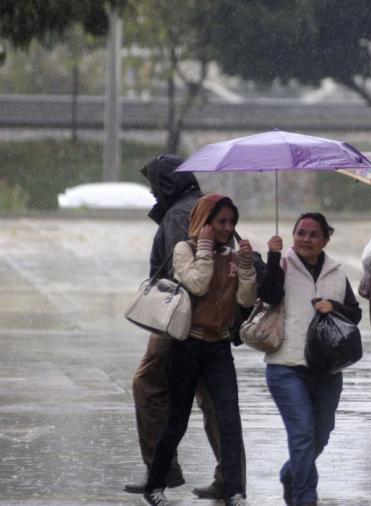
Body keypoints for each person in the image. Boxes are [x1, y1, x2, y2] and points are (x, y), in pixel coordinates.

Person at [125, 155, 245, 500]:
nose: (151, 191)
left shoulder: (181, 214)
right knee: (215, 405)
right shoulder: (195, 205)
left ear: (164, 184)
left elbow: (190, 277)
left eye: (153, 183)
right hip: (201, 323)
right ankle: (228, 479)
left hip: (183, 322)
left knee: (150, 385)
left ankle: (163, 471)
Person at [142, 194, 256, 506]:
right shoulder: (185, 249)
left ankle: (235, 491)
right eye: (220, 222)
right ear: (204, 222)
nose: (227, 228)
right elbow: (197, 285)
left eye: (231, 222)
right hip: (186, 345)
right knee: (177, 419)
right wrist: (205, 250)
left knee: (229, 420)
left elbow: (246, 300)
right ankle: (155, 486)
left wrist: (246, 265)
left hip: (219, 347)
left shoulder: (233, 257)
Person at [258, 213, 362, 506]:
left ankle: (291, 473)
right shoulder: (281, 264)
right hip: (285, 365)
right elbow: (268, 296)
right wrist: (273, 255)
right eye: (301, 233)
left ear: (325, 239)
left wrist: (335, 307)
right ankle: (305, 498)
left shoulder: (336, 272)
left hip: (327, 370)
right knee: (302, 434)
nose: (306, 239)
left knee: (321, 434)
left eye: (313, 234)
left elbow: (355, 314)